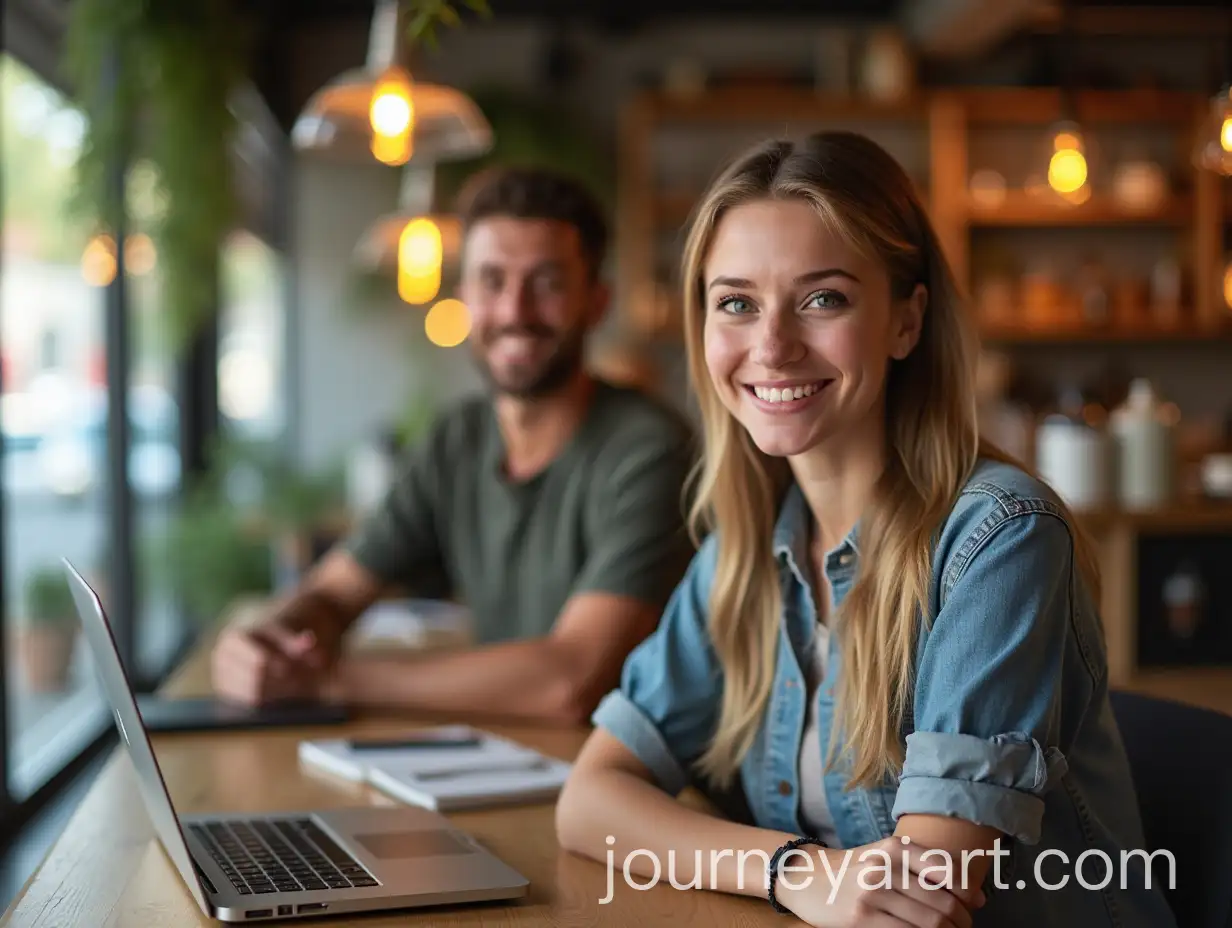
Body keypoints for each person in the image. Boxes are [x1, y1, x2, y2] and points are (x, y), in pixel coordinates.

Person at [554, 132, 1178, 928]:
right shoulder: (746, 554)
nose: (772, 347)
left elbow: (922, 894)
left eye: (823, 299)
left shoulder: (999, 539)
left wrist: (799, 878)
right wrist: (795, 871)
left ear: (906, 322)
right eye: (736, 303)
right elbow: (589, 800)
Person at [210, 165, 697, 726]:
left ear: (597, 302)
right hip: (506, 753)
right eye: (492, 282)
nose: (514, 311)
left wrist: (329, 680)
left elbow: (570, 682)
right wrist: (266, 643)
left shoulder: (650, 450)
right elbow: (335, 594)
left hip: (625, 769)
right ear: (464, 297)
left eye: (547, 284)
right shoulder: (457, 439)